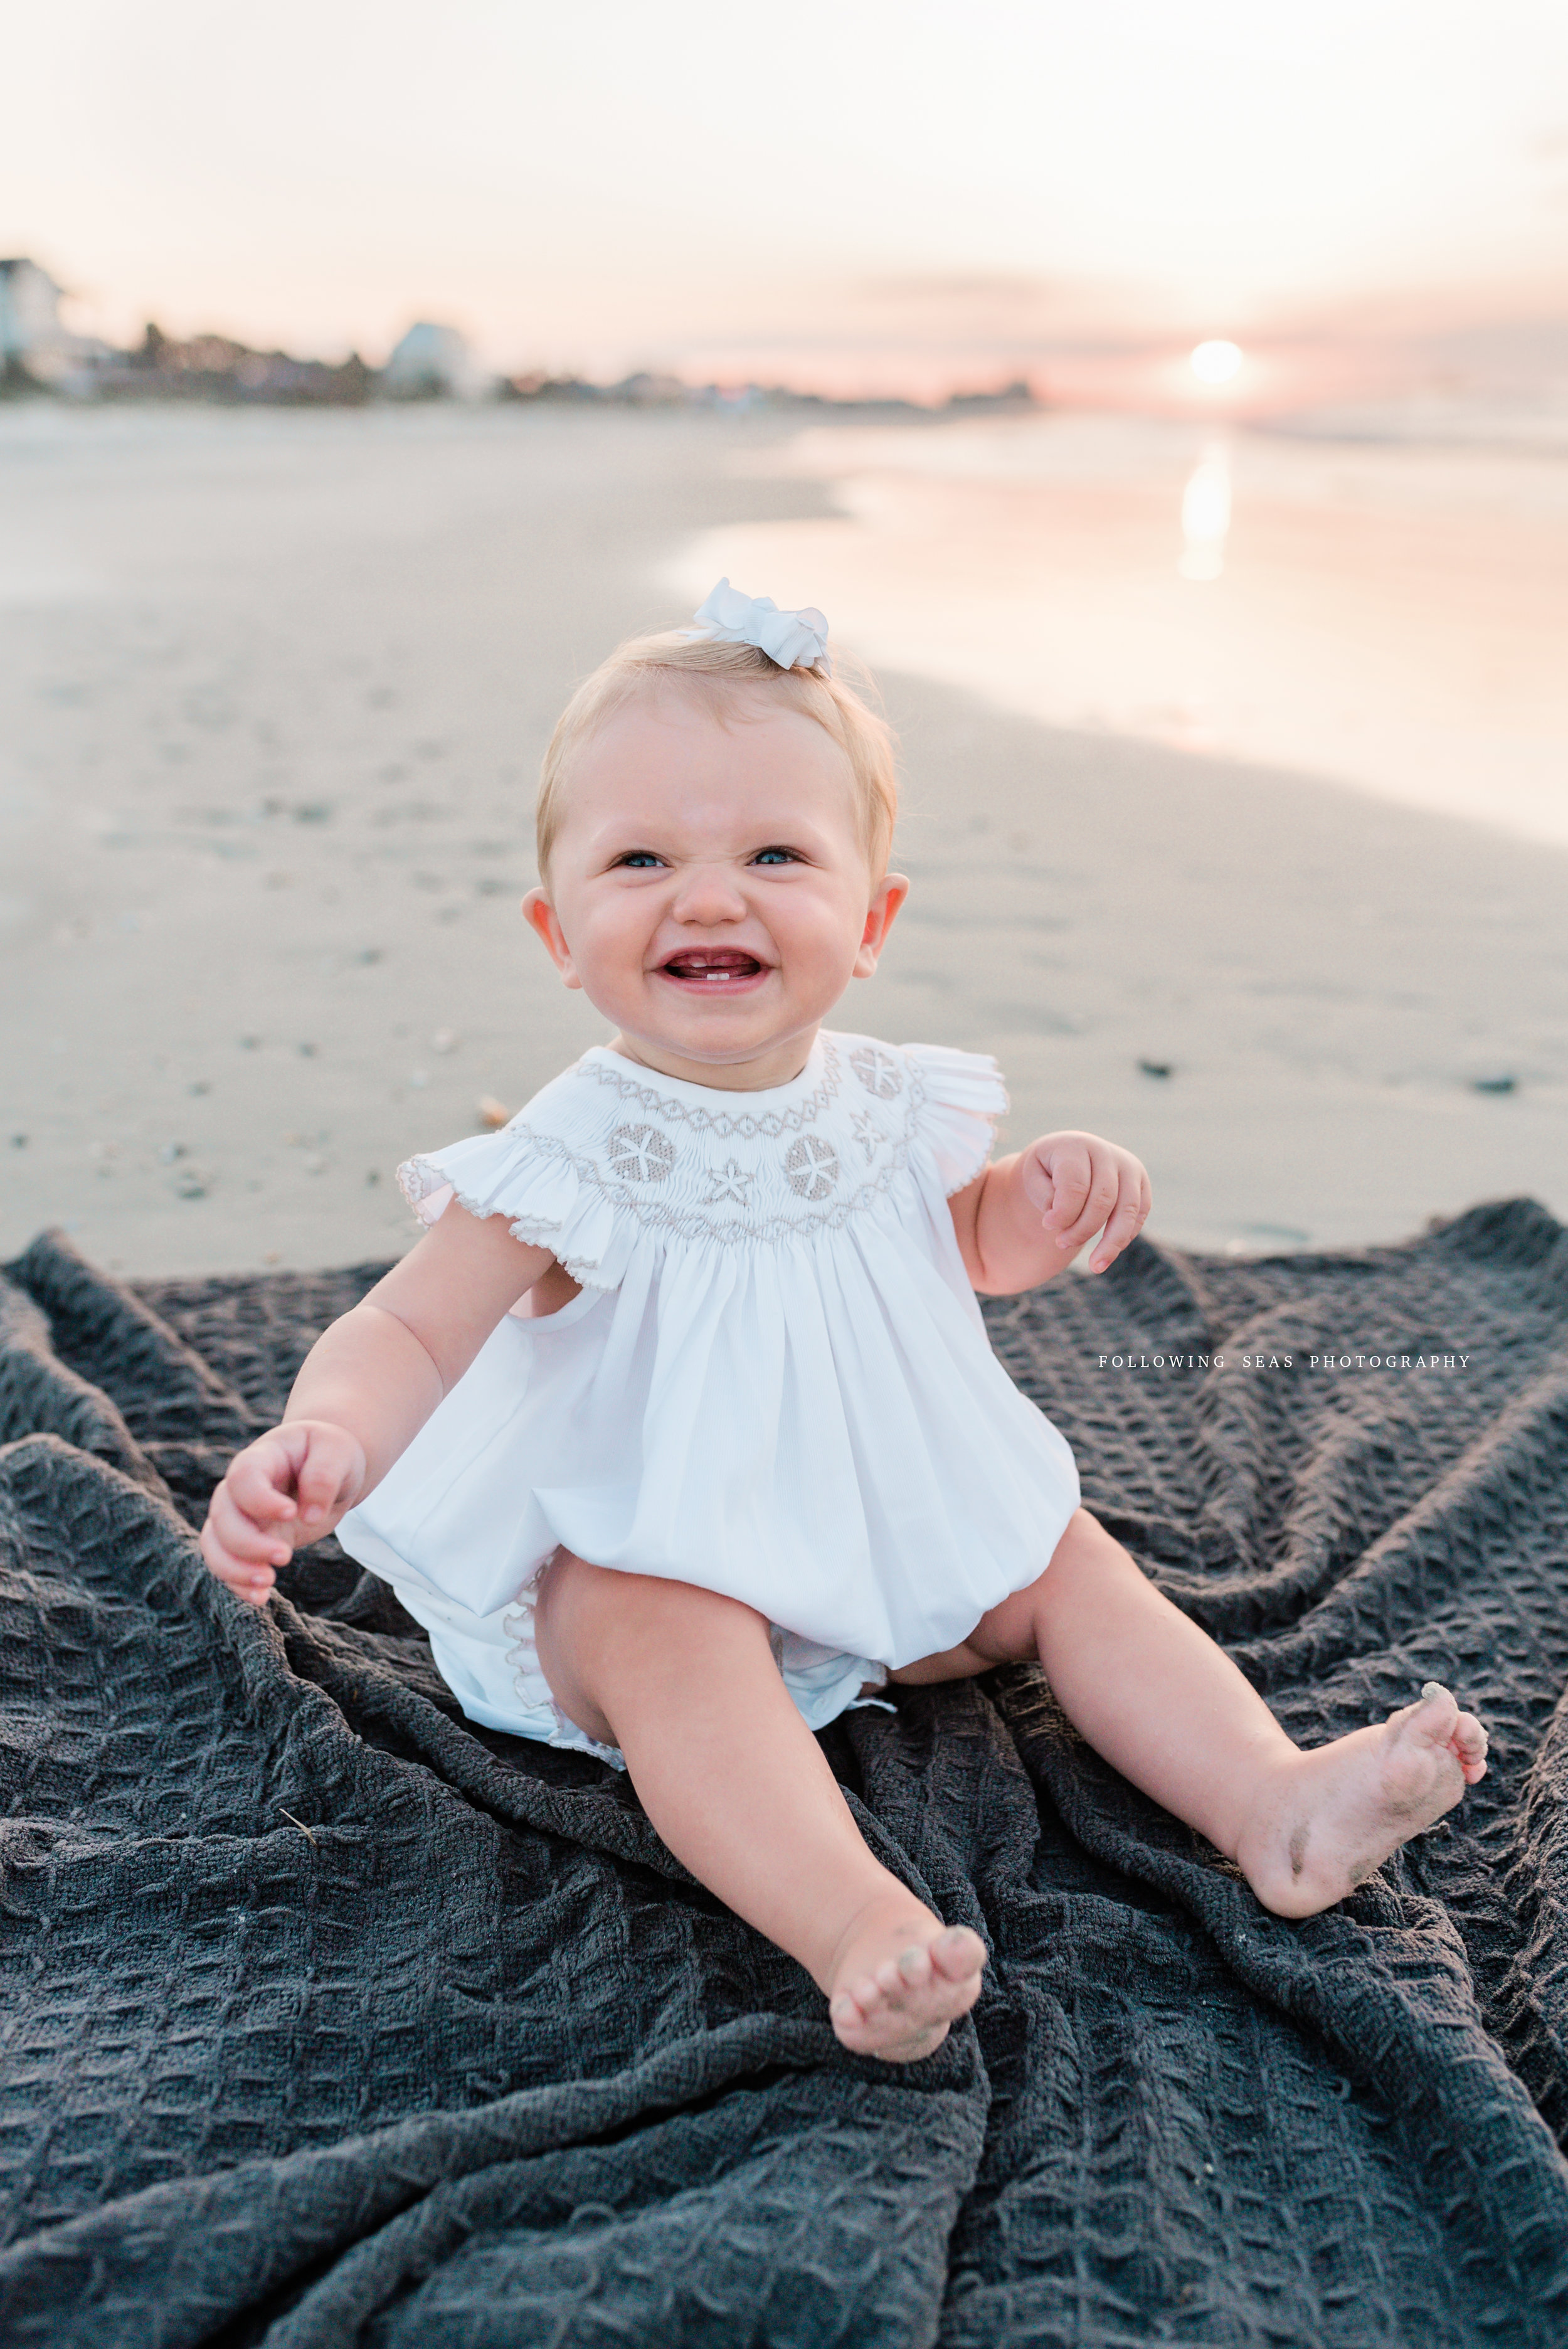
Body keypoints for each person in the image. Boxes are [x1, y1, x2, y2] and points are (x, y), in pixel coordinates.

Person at [201, 581, 1488, 2063]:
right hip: (657, 1546)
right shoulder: (567, 1152)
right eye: (640, 857)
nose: (705, 895)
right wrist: (328, 1432)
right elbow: (411, 1331)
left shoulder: (889, 1102)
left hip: (872, 1536)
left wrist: (1034, 1197)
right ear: (558, 932)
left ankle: (1274, 1804)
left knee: (1060, 1561)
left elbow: (947, 1253)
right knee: (657, 1623)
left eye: (770, 853)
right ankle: (851, 1921)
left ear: (869, 918)